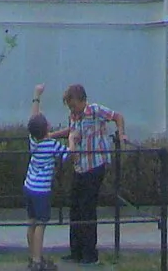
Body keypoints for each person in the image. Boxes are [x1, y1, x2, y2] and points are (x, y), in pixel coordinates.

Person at [61, 83, 124, 266]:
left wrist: (121, 134)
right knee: (75, 208)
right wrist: (51, 135)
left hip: (95, 165)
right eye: (70, 106)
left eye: (73, 105)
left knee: (87, 208)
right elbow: (72, 132)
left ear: (82, 100)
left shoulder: (96, 111)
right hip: (79, 166)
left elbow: (117, 117)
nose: (72, 109)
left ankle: (90, 254)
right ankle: (76, 251)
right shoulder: (74, 116)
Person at [23, 84, 69, 271]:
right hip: (41, 190)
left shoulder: (34, 141)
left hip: (29, 186)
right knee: (41, 224)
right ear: (46, 129)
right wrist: (73, 137)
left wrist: (36, 95)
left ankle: (33, 256)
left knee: (31, 222)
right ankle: (36, 261)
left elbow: (34, 117)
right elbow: (69, 154)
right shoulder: (51, 145)